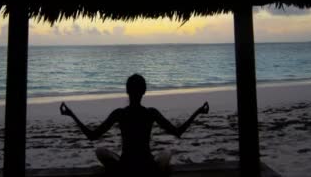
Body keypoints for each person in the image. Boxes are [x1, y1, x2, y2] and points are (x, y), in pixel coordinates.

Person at [60, 74, 209, 175]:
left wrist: (71, 114)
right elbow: (178, 132)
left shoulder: (119, 113)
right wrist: (198, 112)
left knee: (100, 151)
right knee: (167, 153)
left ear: (127, 91)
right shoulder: (151, 113)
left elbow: (92, 136)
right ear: (144, 91)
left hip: (125, 167)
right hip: (148, 167)